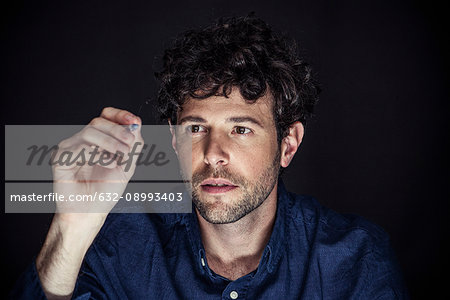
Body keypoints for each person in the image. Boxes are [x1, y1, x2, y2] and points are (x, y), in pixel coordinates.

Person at [10, 14, 408, 299]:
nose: (214, 154)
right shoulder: (120, 247)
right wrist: (71, 227)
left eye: (241, 129)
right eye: (196, 128)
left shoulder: (355, 258)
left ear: (288, 143)